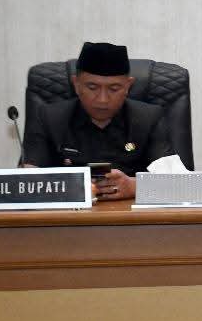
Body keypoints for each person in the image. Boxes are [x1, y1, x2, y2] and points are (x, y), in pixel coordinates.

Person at [21, 41, 176, 201]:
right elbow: (27, 180)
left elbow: (176, 182)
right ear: (76, 84)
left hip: (130, 213)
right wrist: (72, 186)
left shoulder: (149, 118)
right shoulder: (48, 117)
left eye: (114, 89)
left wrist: (134, 186)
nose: (102, 99)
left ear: (128, 86)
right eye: (92, 87)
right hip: (68, 213)